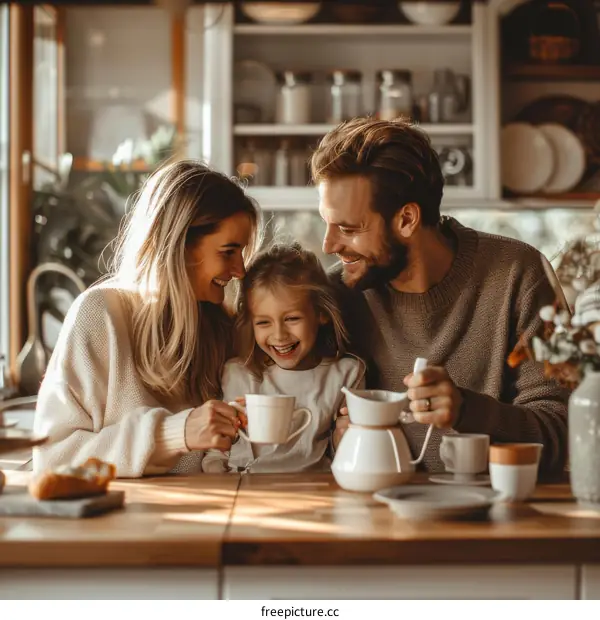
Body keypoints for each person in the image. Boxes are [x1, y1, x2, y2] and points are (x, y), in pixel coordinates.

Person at [310, 117, 569, 475]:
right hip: (372, 515)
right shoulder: (336, 297)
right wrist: (336, 441)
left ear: (406, 219)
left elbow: (563, 434)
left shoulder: (517, 273)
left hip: (495, 517)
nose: (329, 245)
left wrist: (467, 411)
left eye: (349, 228)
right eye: (327, 223)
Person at [33, 161, 261, 477]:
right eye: (228, 252)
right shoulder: (100, 316)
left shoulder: (224, 328)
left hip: (210, 516)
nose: (240, 270)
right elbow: (53, 457)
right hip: (120, 521)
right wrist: (173, 434)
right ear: (178, 245)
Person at [201, 242, 365, 473]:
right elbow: (217, 452)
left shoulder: (346, 374)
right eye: (263, 322)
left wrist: (345, 438)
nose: (279, 335)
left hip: (315, 491)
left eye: (292, 319)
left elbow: (347, 454)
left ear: (321, 315)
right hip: (246, 489)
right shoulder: (239, 374)